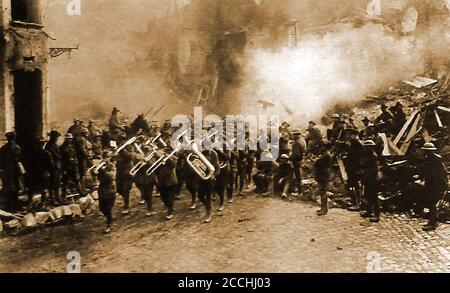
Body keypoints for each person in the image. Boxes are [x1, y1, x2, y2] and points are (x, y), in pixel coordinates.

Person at [418, 143, 448, 231]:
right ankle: (431, 221)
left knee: (432, 204)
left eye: (425, 151)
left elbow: (440, 175)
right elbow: (425, 170)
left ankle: (432, 223)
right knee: (430, 203)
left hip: (436, 186)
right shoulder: (428, 159)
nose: (423, 152)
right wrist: (421, 176)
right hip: (430, 184)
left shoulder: (436, 160)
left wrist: (442, 187)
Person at [0, 132, 25, 212]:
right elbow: (19, 160)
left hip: (8, 171)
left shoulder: (3, 148)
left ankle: (10, 205)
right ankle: (13, 206)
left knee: (10, 188)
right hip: (13, 171)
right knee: (14, 189)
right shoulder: (16, 148)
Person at [26, 137, 52, 209]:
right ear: (43, 144)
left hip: (33, 173)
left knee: (31, 189)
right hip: (43, 174)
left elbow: (28, 164)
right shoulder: (46, 153)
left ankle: (30, 203)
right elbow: (51, 165)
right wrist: (49, 172)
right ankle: (43, 203)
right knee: (44, 189)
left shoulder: (31, 153)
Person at [95, 151, 117, 234]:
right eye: (104, 157)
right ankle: (110, 217)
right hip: (102, 190)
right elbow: (98, 177)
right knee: (101, 208)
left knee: (108, 208)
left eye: (107, 157)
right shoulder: (101, 166)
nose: (105, 159)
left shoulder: (112, 166)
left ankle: (109, 224)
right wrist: (96, 170)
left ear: (110, 157)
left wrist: (103, 170)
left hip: (110, 189)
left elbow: (111, 177)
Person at [360, 140, 381, 223]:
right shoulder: (369, 155)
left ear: (370, 148)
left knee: (374, 198)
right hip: (369, 179)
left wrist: (365, 177)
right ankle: (368, 211)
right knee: (368, 196)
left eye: (366, 147)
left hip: (372, 180)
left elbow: (373, 170)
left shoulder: (373, 156)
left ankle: (377, 215)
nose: (364, 149)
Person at [196, 148, 219, 223]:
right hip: (201, 177)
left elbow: (217, 166)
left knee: (208, 196)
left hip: (209, 178)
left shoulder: (213, 153)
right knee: (200, 195)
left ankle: (209, 214)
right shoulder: (200, 153)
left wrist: (214, 175)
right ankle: (208, 206)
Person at [61, 133, 85, 199]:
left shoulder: (71, 146)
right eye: (69, 139)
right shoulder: (62, 147)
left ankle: (81, 192)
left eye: (71, 139)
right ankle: (63, 196)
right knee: (65, 181)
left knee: (77, 179)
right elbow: (63, 158)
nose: (70, 140)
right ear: (66, 139)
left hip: (74, 166)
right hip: (67, 166)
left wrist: (75, 161)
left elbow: (75, 155)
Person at [344, 128, 363, 211]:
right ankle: (355, 201)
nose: (349, 136)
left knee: (354, 186)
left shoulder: (357, 144)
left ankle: (357, 204)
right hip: (351, 168)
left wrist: (358, 168)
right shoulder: (352, 144)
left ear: (354, 135)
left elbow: (359, 158)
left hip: (354, 168)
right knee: (352, 185)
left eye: (350, 135)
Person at [156, 156, 178, 220]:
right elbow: (155, 169)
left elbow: (173, 165)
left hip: (171, 182)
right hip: (162, 182)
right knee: (162, 196)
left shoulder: (170, 159)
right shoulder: (158, 160)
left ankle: (170, 212)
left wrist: (167, 159)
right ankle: (168, 206)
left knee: (170, 198)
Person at [116, 144, 135, 215]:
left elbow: (129, 158)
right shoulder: (118, 156)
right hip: (120, 175)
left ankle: (126, 206)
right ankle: (126, 199)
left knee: (126, 190)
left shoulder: (127, 155)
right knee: (118, 189)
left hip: (128, 175)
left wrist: (123, 150)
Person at [46, 131, 64, 204]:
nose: (57, 139)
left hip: (57, 166)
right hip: (53, 167)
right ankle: (53, 199)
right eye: (56, 137)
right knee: (53, 184)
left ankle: (57, 198)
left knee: (57, 183)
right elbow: (56, 156)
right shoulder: (49, 145)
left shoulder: (54, 144)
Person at [314, 142, 332, 216]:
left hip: (323, 175)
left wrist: (316, 161)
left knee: (323, 192)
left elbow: (318, 163)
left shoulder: (326, 155)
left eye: (322, 146)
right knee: (322, 192)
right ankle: (323, 208)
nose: (320, 148)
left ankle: (324, 209)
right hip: (322, 175)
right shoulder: (324, 154)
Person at [290, 129, 306, 196]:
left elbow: (296, 154)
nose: (293, 136)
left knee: (297, 176)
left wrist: (290, 158)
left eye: (294, 134)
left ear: (297, 135)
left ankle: (299, 192)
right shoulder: (302, 141)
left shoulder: (296, 143)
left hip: (296, 161)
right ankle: (300, 191)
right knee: (299, 176)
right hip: (301, 160)